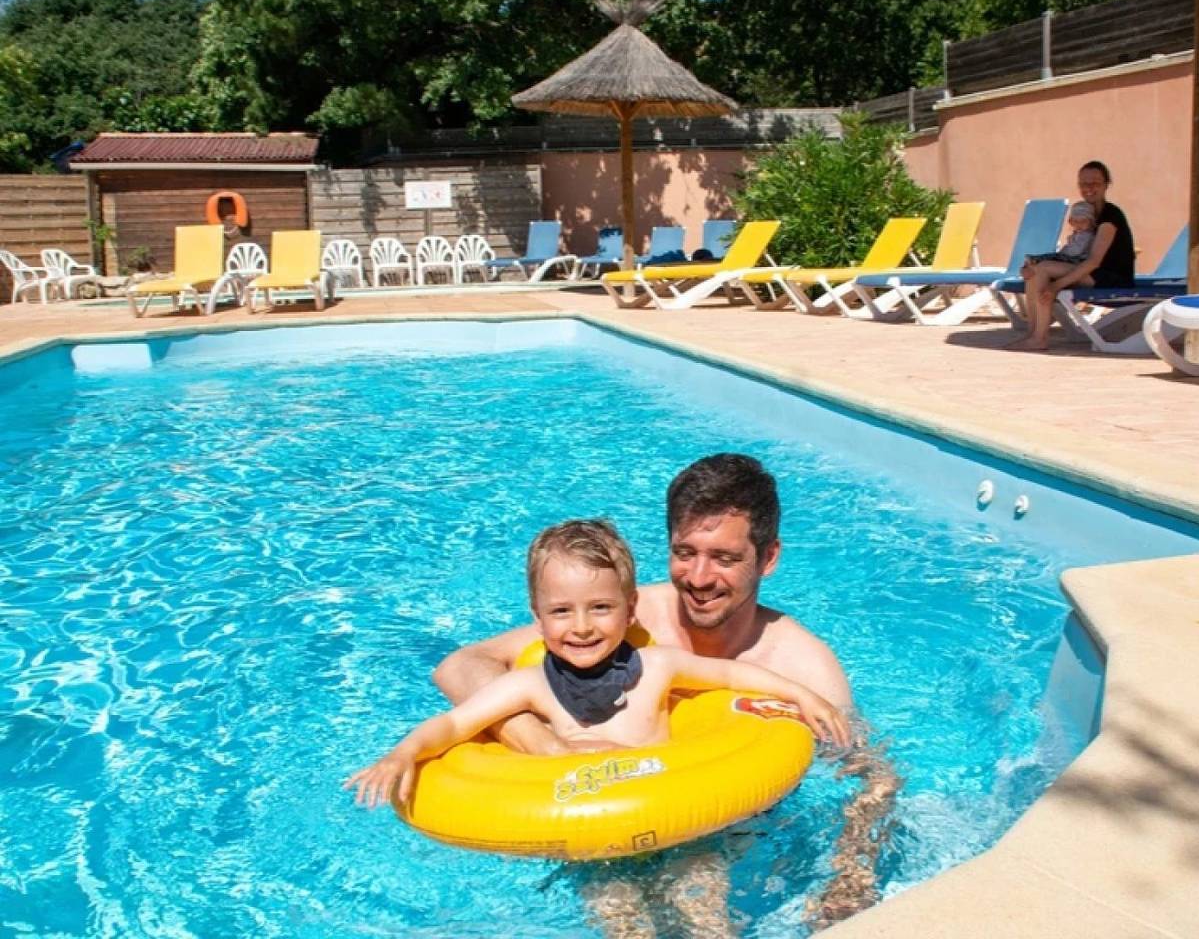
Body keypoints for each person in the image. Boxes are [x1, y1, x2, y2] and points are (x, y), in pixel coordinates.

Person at [432, 454, 901, 929]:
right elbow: (462, 666)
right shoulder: (622, 619)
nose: (698, 579)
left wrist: (851, 877)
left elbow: (873, 779)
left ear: (769, 557)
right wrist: (543, 746)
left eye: (725, 558)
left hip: (728, 833)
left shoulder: (801, 667)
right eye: (684, 552)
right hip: (605, 822)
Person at [345, 517, 849, 809]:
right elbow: (453, 723)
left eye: (601, 608)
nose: (581, 627)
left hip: (676, 808)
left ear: (631, 611)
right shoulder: (528, 686)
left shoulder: (658, 667)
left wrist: (802, 694)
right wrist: (402, 754)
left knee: (705, 905)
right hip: (593, 822)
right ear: (537, 620)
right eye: (561, 612)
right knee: (619, 912)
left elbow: (735, 675)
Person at [1010, 160, 1135, 352]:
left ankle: (1039, 338)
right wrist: (1031, 265)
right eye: (1084, 183)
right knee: (1034, 271)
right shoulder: (1084, 213)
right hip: (1090, 272)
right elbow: (1071, 254)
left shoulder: (1110, 217)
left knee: (1042, 270)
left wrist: (1055, 286)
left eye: (1095, 183)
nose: (1089, 188)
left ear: (1106, 184)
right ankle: (1034, 334)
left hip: (1112, 277)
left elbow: (1094, 261)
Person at [1024, 200, 1096, 266]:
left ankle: (1035, 260)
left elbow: (1076, 251)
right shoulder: (1078, 234)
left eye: (1083, 221)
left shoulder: (1086, 235)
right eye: (1076, 222)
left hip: (1078, 260)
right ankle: (1035, 260)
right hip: (1073, 258)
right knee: (1052, 257)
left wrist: (1061, 254)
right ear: (1071, 222)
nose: (1079, 224)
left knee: (1052, 257)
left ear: (1090, 222)